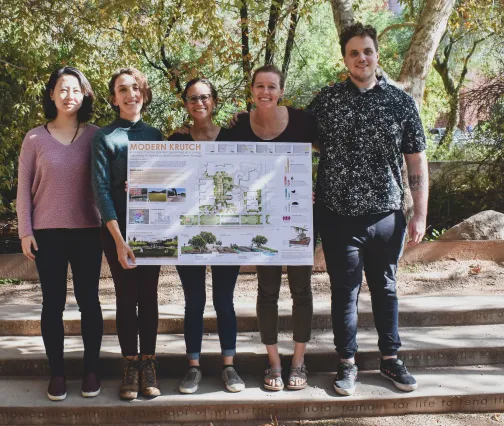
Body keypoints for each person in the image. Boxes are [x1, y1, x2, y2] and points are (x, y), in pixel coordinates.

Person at [310, 23, 428, 396]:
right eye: (353, 52)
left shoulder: (400, 101)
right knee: (344, 292)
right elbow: (290, 138)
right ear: (344, 58)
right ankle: (346, 364)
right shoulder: (326, 102)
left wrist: (421, 213)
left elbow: (416, 161)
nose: (362, 58)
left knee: (386, 288)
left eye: (367, 51)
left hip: (386, 216)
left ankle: (390, 359)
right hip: (337, 216)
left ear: (377, 55)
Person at [16, 67, 103, 401]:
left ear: (85, 96)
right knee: (52, 303)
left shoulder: (96, 135)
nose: (69, 96)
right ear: (51, 93)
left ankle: (91, 370)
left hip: (88, 231)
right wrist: (25, 231)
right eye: (62, 89)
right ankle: (57, 373)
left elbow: (108, 181)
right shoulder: (34, 138)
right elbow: (23, 187)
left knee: (89, 301)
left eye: (76, 90)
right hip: (47, 233)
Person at [228, 65, 314, 391]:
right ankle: (274, 361)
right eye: (260, 86)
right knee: (267, 292)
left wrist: (314, 185)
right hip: (260, 223)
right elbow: (211, 161)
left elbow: (328, 152)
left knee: (301, 290)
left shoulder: (303, 121)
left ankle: (299, 361)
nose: (265, 92)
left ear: (281, 91)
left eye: (272, 87)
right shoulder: (238, 126)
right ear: (251, 90)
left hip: (298, 220)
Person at [169, 78, 245, 394]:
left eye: (204, 97)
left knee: (224, 301)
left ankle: (229, 367)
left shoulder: (232, 138)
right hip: (188, 234)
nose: (199, 103)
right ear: (185, 103)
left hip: (227, 234)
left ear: (213, 101)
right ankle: (193, 369)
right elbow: (162, 181)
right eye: (192, 98)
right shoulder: (175, 139)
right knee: (194, 301)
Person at [91, 68, 163, 400]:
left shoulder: (156, 134)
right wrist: (119, 241)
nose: (130, 94)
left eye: (135, 88)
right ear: (113, 98)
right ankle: (129, 365)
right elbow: (101, 192)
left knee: (148, 297)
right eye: (122, 89)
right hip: (116, 230)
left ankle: (148, 363)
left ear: (144, 93)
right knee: (126, 297)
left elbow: (170, 184)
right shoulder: (104, 137)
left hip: (153, 227)